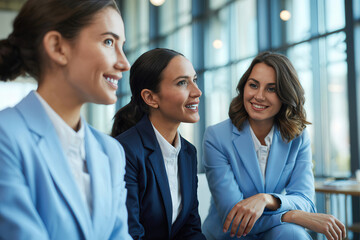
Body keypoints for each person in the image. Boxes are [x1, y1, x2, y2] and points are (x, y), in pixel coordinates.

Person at [0, 0, 132, 239]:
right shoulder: (6, 137)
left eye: (122, 45)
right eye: (109, 42)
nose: (124, 63)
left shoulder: (111, 152)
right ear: (58, 47)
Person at [202, 52, 346, 240]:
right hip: (230, 234)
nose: (259, 96)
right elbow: (234, 217)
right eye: (253, 85)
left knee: (293, 234)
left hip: (273, 233)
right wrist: (291, 215)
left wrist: (268, 199)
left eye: (272, 89)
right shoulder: (217, 137)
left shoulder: (298, 137)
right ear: (244, 87)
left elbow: (306, 201)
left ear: (285, 95)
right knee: (292, 228)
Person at [111, 48, 206, 240]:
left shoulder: (188, 152)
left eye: (194, 80)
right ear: (150, 98)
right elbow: (130, 234)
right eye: (182, 83)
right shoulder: (124, 151)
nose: (197, 92)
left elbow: (191, 229)